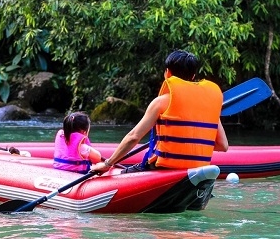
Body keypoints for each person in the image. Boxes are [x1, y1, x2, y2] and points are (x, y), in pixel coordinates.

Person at [91, 50, 228, 174]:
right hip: (197, 169)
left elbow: (133, 137)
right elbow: (223, 145)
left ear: (167, 73)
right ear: (193, 76)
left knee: (115, 173)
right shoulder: (210, 104)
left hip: (162, 168)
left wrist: (108, 164)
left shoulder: (161, 102)